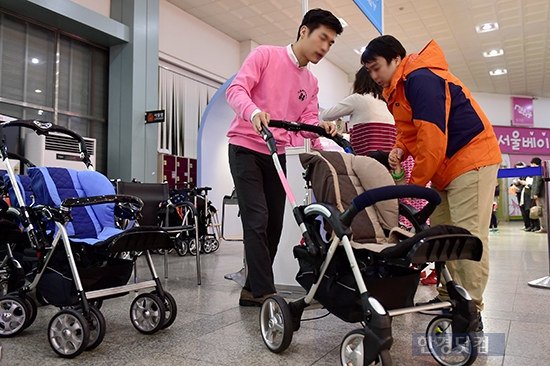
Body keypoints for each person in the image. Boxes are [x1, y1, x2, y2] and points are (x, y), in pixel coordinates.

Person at [361, 35, 502, 331]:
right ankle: (447, 297)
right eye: (369, 71)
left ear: (396, 59)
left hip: (472, 159)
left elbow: (433, 138)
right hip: (446, 168)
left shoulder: (421, 79)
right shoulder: (396, 89)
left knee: (468, 236)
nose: (373, 76)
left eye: (376, 68)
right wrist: (400, 148)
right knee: (441, 236)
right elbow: (409, 131)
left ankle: (470, 307)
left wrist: (413, 184)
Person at [226, 8, 342, 307]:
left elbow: (306, 126)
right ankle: (266, 292)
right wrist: (253, 112)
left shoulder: (311, 83)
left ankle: (252, 289)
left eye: (331, 43)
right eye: (323, 38)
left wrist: (321, 132)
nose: (325, 47)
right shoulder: (265, 55)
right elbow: (236, 90)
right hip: (245, 147)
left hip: (275, 154)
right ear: (304, 31)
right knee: (257, 219)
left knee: (275, 222)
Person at [319, 67, 395, 155]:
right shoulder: (387, 103)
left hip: (367, 158)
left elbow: (326, 115)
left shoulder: (358, 98)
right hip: (389, 158)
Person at [531, 157, 546, 233]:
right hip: (541, 194)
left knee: (542, 211)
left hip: (541, 194)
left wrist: (535, 193)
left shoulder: (538, 170)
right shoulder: (543, 169)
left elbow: (538, 182)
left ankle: (544, 227)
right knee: (543, 210)